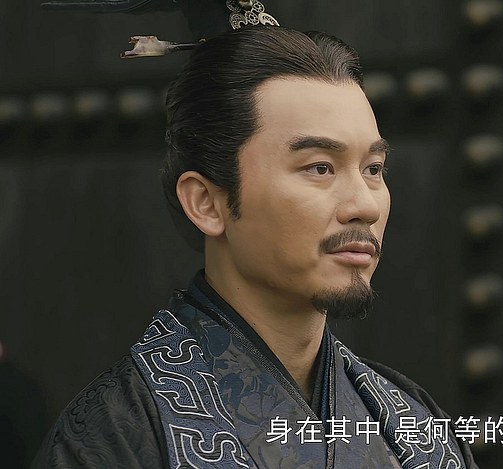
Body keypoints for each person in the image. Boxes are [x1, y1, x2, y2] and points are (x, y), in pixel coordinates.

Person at [32, 18, 479, 469]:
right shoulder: (118, 435)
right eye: (320, 167)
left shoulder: (414, 429)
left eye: (373, 169)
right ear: (206, 203)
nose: (364, 205)